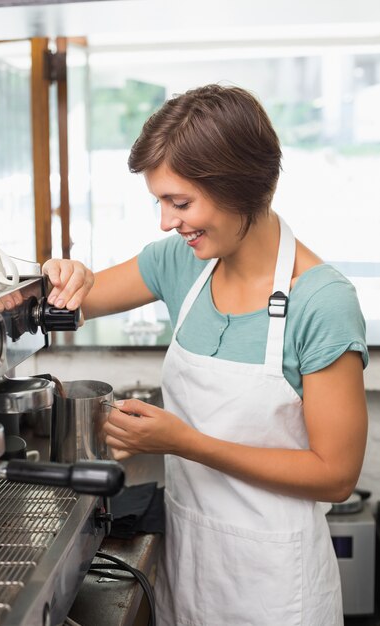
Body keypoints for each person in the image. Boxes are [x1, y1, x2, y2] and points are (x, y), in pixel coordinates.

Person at [42, 84, 368, 625]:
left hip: (277, 589)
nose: (167, 222)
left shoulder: (322, 301)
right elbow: (69, 302)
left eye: (181, 202)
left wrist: (185, 442)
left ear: (240, 186)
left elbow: (334, 474)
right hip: (191, 563)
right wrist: (61, 275)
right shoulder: (182, 261)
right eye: (160, 202)